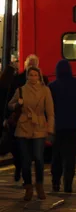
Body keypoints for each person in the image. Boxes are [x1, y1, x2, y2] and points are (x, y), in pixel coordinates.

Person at [7, 67, 54, 201]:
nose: (33, 77)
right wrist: (17, 105)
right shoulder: (21, 90)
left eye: (35, 75)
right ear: (27, 76)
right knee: (25, 160)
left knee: (39, 158)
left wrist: (50, 128)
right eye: (31, 75)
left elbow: (50, 112)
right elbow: (10, 105)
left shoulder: (45, 90)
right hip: (24, 125)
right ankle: (28, 187)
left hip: (39, 125)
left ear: (39, 77)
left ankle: (39, 185)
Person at [6, 55, 47, 185]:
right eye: (30, 64)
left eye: (34, 64)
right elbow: (9, 101)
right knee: (23, 153)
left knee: (35, 156)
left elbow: (48, 105)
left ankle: (35, 182)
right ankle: (26, 179)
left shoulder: (43, 82)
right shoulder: (18, 80)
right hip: (21, 122)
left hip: (37, 123)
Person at [49, 59, 76, 193]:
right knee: (70, 157)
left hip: (57, 126)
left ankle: (55, 183)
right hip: (72, 125)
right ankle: (68, 185)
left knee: (57, 156)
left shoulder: (52, 86)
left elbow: (48, 108)